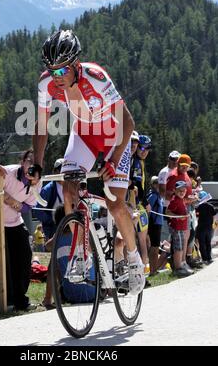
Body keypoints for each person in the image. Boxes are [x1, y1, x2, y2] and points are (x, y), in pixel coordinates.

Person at [31, 30, 145, 296]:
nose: (56, 78)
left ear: (75, 64)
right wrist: (37, 162)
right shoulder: (46, 83)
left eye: (62, 71)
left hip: (115, 137)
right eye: (51, 70)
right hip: (84, 135)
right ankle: (81, 255)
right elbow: (41, 124)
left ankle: (133, 259)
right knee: (69, 188)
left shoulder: (96, 77)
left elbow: (128, 123)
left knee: (117, 205)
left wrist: (115, 159)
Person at [0, 149, 38, 312]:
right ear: (22, 162)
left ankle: (20, 299)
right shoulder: (6, 172)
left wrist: (9, 199)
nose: (32, 166)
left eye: (36, 163)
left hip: (14, 222)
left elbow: (27, 207)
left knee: (24, 256)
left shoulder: (36, 181)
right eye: (29, 161)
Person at [130, 134, 152, 275]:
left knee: (138, 242)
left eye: (147, 148)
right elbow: (138, 184)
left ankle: (142, 272)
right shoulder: (137, 162)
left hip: (136, 205)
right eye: (141, 148)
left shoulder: (139, 161)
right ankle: (143, 274)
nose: (144, 151)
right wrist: (146, 202)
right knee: (142, 243)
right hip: (138, 206)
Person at [33, 158, 65, 240]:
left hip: (70, 224)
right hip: (54, 229)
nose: (64, 172)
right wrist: (51, 221)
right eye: (62, 169)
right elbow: (37, 210)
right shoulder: (48, 189)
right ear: (55, 171)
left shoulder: (71, 187)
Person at [166, 181, 193, 277]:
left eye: (184, 190)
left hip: (181, 228)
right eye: (180, 190)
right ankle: (178, 269)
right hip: (176, 228)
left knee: (181, 247)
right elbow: (167, 212)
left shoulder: (180, 199)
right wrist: (178, 216)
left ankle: (180, 265)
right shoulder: (175, 200)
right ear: (175, 190)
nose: (182, 192)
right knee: (178, 248)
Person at [158, 150, 180, 242]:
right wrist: (175, 195)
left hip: (176, 206)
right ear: (169, 159)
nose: (175, 161)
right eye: (172, 159)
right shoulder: (164, 172)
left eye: (177, 159)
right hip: (166, 206)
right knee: (166, 235)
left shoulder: (179, 171)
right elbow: (162, 192)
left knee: (176, 233)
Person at [147, 176, 163, 274]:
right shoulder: (153, 196)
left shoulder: (158, 196)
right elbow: (148, 210)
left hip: (158, 224)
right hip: (154, 224)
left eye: (159, 182)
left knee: (156, 247)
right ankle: (153, 270)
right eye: (155, 182)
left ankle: (154, 269)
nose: (158, 184)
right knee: (154, 248)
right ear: (152, 184)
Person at [195, 191, 217, 264]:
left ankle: (204, 259)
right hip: (209, 228)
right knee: (208, 243)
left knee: (202, 243)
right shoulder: (211, 206)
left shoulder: (198, 207)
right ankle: (209, 258)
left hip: (201, 228)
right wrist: (213, 225)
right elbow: (214, 216)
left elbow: (197, 217)